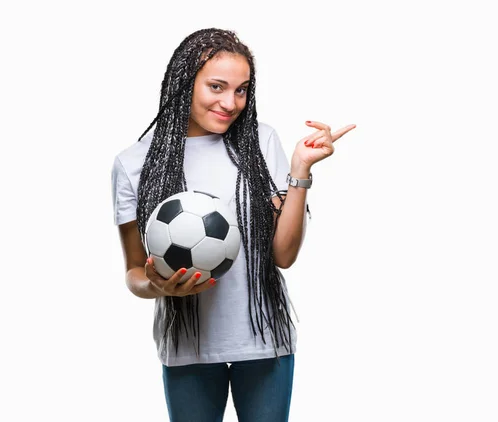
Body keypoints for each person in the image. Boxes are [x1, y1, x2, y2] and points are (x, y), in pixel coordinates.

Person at [111, 28, 356, 422]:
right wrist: (156, 286)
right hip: (187, 347)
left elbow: (284, 254)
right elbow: (134, 272)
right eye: (217, 86)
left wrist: (300, 171)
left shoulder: (260, 143)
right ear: (184, 82)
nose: (231, 102)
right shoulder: (134, 164)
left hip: (263, 342)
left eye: (242, 90)